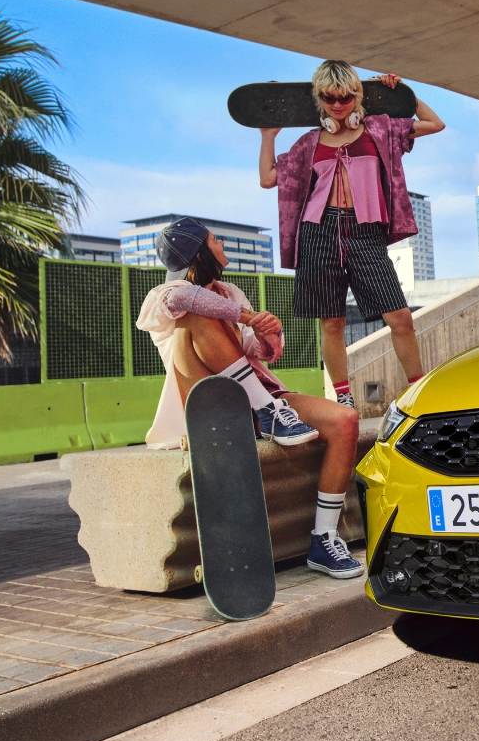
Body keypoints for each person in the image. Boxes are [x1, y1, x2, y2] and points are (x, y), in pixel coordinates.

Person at [137, 217, 365, 578]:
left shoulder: (230, 292)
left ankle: (324, 538)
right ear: (199, 252)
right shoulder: (165, 295)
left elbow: (253, 351)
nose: (222, 243)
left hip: (257, 394)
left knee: (345, 421)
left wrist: (267, 335)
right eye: (215, 240)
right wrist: (248, 316)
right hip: (206, 400)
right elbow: (186, 297)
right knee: (197, 312)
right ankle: (267, 411)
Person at [259, 60, 444, 408]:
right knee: (332, 322)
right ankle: (343, 398)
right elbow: (268, 178)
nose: (337, 104)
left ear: (357, 95)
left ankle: (419, 391)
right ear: (319, 98)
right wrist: (268, 135)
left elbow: (435, 124)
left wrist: (404, 95)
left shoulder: (379, 130)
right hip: (319, 231)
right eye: (328, 98)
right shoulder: (309, 142)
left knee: (400, 317)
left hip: (365, 229)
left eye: (344, 97)